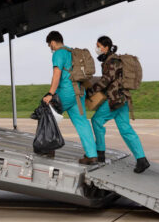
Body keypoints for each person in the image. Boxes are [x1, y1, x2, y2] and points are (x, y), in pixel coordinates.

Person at [89, 36, 150, 173]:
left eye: (98, 46)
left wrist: (92, 90)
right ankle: (141, 159)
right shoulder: (111, 60)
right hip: (122, 99)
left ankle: (100, 153)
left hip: (114, 99)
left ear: (105, 47)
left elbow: (106, 80)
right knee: (125, 129)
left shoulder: (112, 61)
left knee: (96, 120)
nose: (97, 48)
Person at [41, 31, 98, 164]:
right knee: (82, 122)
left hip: (65, 92)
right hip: (78, 92)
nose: (51, 48)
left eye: (50, 45)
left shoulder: (58, 53)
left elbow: (57, 74)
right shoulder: (72, 52)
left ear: (53, 42)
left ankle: (49, 149)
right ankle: (92, 155)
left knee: (47, 114)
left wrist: (50, 94)